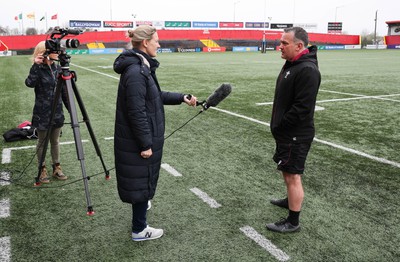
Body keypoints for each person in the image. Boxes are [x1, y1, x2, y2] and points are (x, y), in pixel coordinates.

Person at [113, 25, 197, 241]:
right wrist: (145, 144)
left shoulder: (140, 66)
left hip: (141, 137)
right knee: (141, 179)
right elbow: (136, 112)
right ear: (145, 43)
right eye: (156, 41)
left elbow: (154, 96)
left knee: (142, 179)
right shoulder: (136, 71)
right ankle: (139, 229)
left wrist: (181, 97)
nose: (159, 44)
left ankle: (141, 210)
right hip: (138, 140)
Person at [266, 27, 321, 233]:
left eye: (284, 43)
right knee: (287, 171)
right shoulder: (292, 64)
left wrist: (282, 125)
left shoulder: (307, 70)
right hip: (287, 133)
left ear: (299, 46)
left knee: (293, 176)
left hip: (295, 134)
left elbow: (302, 109)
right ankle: (290, 199)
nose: (279, 46)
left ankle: (293, 222)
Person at [25, 41, 68, 183]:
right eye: (54, 50)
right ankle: (42, 168)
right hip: (42, 112)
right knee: (42, 142)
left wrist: (70, 109)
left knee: (55, 141)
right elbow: (29, 83)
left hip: (57, 112)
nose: (58, 53)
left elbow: (64, 92)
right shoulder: (38, 69)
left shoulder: (58, 69)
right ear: (45, 52)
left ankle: (57, 167)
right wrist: (36, 65)